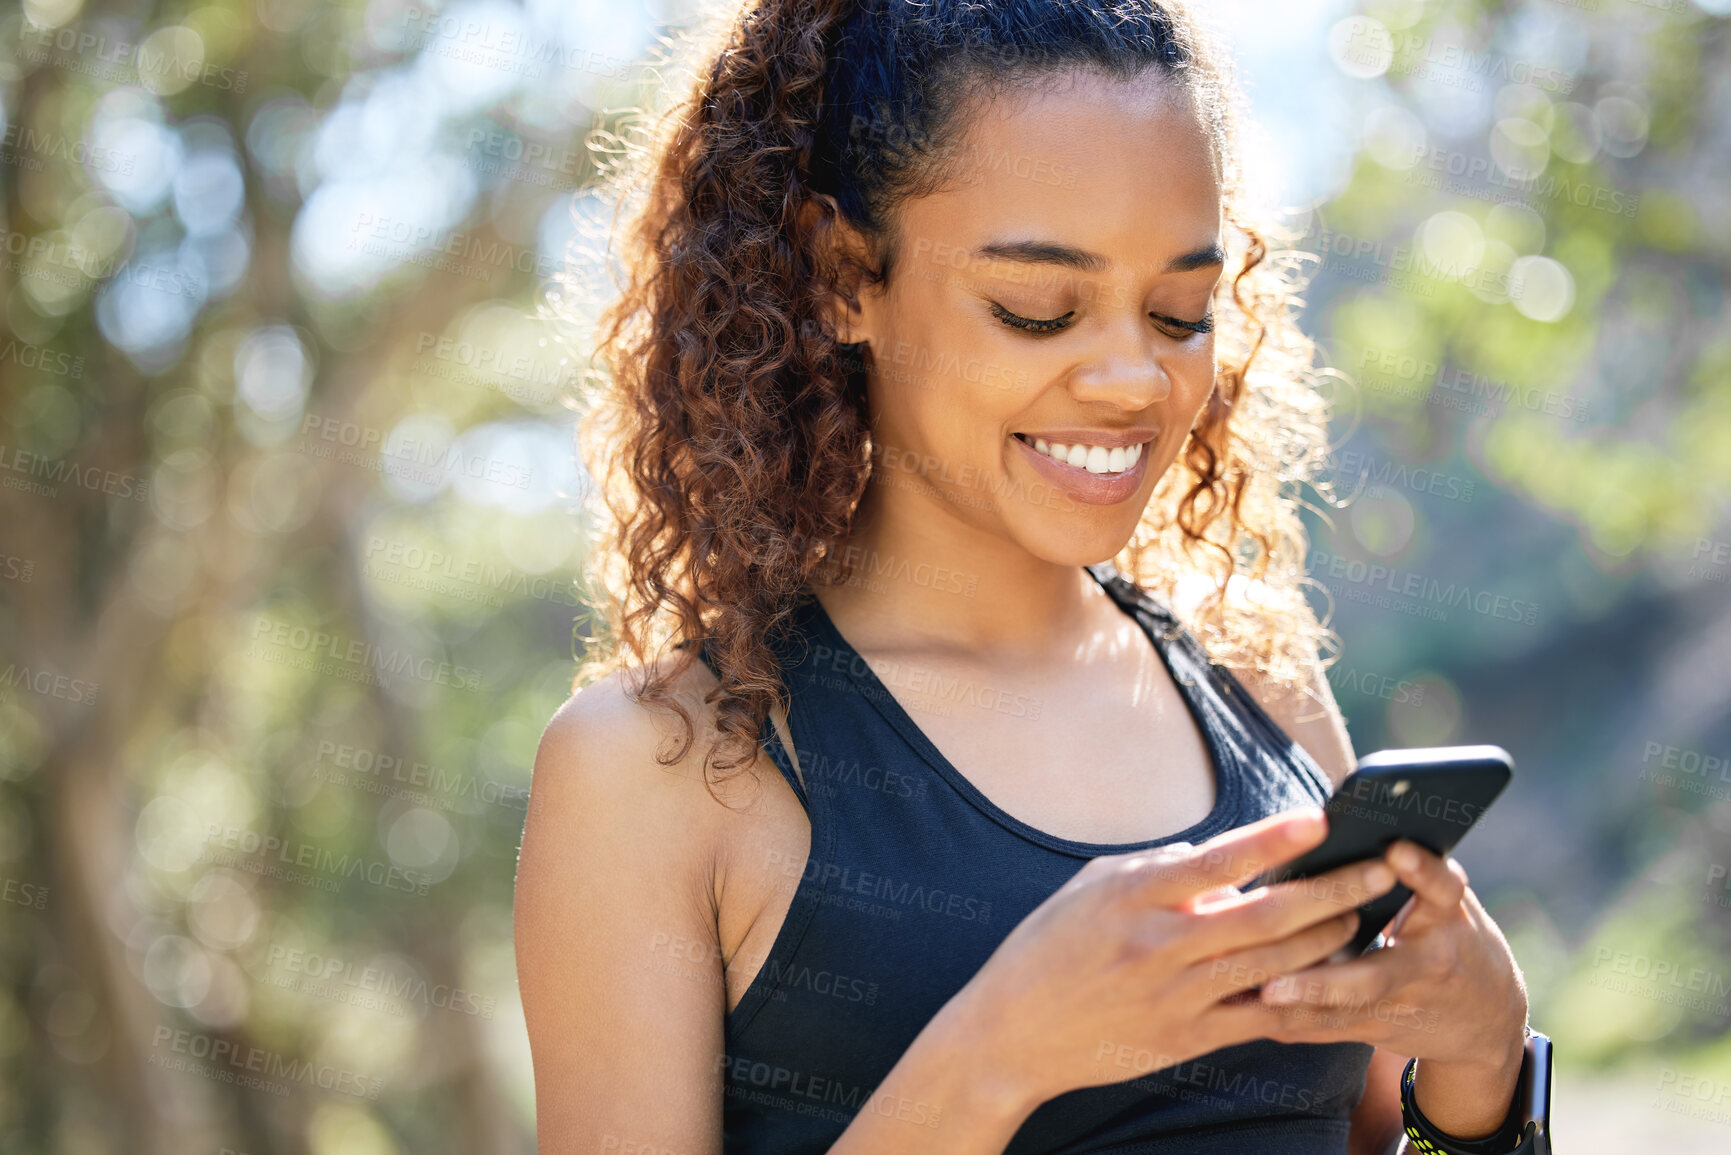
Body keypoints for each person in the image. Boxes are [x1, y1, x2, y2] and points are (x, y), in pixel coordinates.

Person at [514, 1, 1532, 1152]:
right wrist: (997, 1055)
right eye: (1038, 311)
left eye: (1179, 312)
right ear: (842, 275)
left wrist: (1485, 1070)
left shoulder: (1261, 683)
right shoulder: (663, 771)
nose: (1131, 383)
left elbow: (1381, 1134)